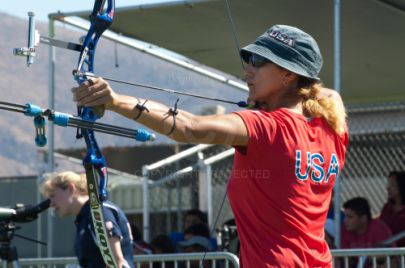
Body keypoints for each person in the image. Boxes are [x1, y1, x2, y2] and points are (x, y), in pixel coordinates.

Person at [72, 24, 349, 267]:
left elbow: (188, 127)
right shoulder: (334, 131)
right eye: (248, 59)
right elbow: (326, 95)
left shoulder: (267, 126)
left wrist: (115, 101)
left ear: (289, 75)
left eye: (258, 61)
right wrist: (271, 99)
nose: (247, 69)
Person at [41, 171, 134, 268]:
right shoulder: (85, 217)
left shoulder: (98, 211)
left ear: (71, 188)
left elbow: (115, 260)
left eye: (52, 196)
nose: (51, 204)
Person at [341, 197, 393, 268]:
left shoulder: (379, 228)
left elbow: (388, 258)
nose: (345, 221)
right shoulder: (344, 230)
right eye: (345, 216)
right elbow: (345, 259)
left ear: (363, 218)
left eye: (350, 217)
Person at [380, 171, 405, 247]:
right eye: (388, 184)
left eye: (392, 185)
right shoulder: (387, 208)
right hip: (388, 253)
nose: (388, 188)